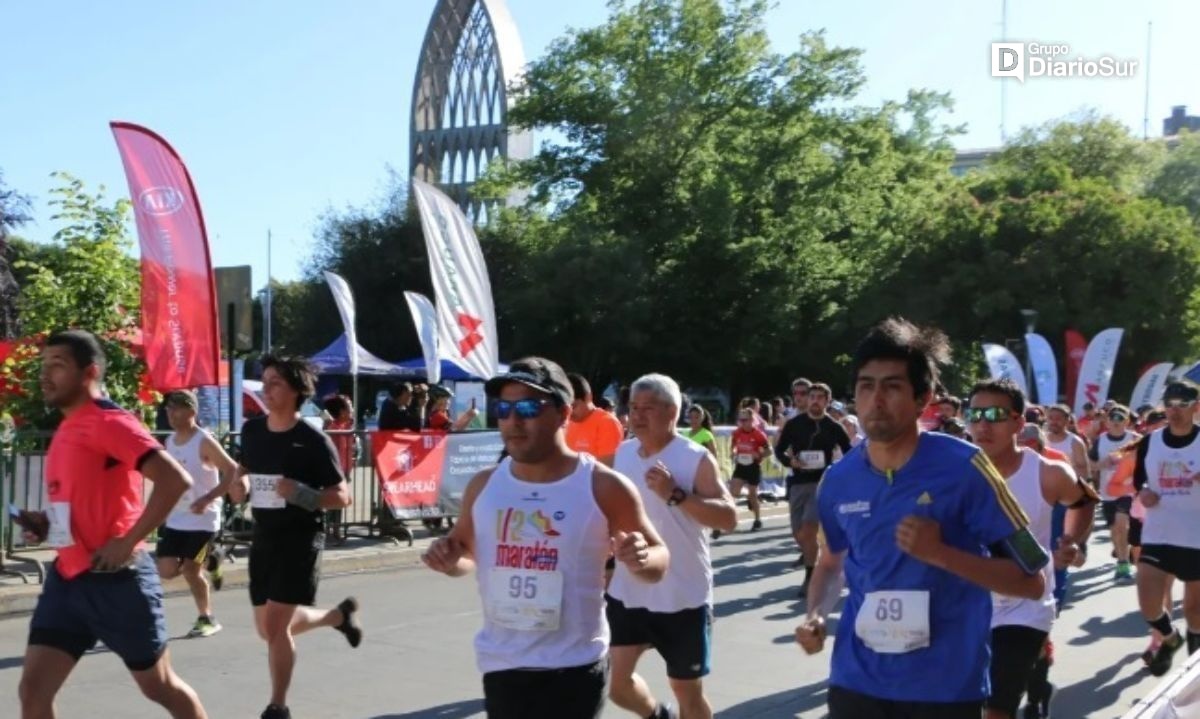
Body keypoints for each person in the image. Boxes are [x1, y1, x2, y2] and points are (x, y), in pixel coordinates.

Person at [795, 318, 1048, 719]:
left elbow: (1033, 581)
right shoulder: (839, 481)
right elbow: (830, 564)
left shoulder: (966, 468)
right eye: (866, 385)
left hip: (944, 688)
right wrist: (815, 615)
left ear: (923, 398)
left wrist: (943, 555)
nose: (876, 399)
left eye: (892, 386)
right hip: (856, 680)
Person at [422, 357, 669, 719]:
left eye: (527, 407)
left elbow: (659, 559)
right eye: (503, 409)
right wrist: (447, 559)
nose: (513, 420)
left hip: (574, 665)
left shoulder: (603, 485)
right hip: (502, 662)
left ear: (563, 413)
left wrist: (643, 558)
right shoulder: (484, 485)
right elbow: (465, 553)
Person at [17, 330, 208, 719]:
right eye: (44, 364)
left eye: (58, 364)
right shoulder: (67, 428)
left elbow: (175, 481)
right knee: (33, 690)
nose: (45, 373)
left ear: (89, 373)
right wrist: (44, 522)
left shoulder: (109, 422)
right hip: (67, 582)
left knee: (160, 686)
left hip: (117, 582)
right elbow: (83, 503)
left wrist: (127, 540)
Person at [228, 355, 362, 719]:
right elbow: (244, 468)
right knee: (267, 629)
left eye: (275, 383)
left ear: (296, 391)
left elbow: (342, 496)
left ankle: (278, 706)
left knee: (275, 628)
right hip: (265, 536)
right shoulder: (253, 431)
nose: (266, 389)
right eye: (265, 380)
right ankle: (336, 617)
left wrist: (303, 494)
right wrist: (237, 482)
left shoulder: (313, 440)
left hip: (301, 539)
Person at [607, 373, 737, 719]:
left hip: (683, 594)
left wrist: (675, 494)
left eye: (647, 408)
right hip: (629, 590)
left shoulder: (694, 457)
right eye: (633, 407)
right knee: (617, 686)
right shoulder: (622, 454)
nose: (636, 416)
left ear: (672, 412)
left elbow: (728, 518)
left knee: (687, 693)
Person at [966, 380, 1098, 719]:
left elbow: (1083, 502)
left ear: (1017, 423)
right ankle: (1040, 683)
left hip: (1026, 603)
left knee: (997, 709)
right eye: (975, 414)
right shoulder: (955, 471)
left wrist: (1071, 540)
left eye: (994, 415)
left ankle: (1035, 682)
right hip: (967, 603)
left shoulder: (1047, 472)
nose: (983, 424)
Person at [157, 389, 240, 638]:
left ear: (191, 412)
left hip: (204, 520)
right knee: (167, 570)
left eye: (177, 409)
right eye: (169, 409)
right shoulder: (170, 441)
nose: (171, 414)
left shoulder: (203, 441)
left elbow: (231, 469)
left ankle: (207, 618)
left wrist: (208, 498)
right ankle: (214, 558)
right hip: (177, 517)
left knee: (191, 570)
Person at [1132, 382, 1200, 676]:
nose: (1174, 410)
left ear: (1196, 407)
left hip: (1196, 536)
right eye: (1169, 404)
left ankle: (1193, 677)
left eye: (1182, 404)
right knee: (1148, 604)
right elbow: (1139, 478)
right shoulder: (1151, 441)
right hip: (1159, 533)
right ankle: (1170, 639)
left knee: (1195, 613)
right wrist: (1144, 491)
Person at [773, 381, 852, 594]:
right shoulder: (794, 424)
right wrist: (791, 462)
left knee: (809, 529)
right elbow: (779, 450)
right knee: (799, 534)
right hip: (798, 483)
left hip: (822, 484)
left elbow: (850, 454)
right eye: (812, 397)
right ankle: (815, 564)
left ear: (827, 401)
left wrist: (838, 472)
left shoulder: (834, 427)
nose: (815, 401)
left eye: (820, 397)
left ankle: (810, 577)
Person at [1090, 404, 1140, 581]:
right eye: (1113, 418)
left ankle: (1124, 563)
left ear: (1127, 421)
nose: (1116, 421)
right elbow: (1091, 465)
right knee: (1114, 530)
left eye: (1121, 418)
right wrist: (1102, 464)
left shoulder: (1135, 439)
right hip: (1108, 491)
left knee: (1121, 524)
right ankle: (1121, 560)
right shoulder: (1100, 440)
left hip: (1129, 491)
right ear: (1107, 422)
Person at [725, 407, 771, 535]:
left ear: (751, 420)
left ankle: (757, 520)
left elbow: (769, 451)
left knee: (752, 495)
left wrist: (758, 454)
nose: (742, 422)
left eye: (744, 420)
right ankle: (730, 520)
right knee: (732, 493)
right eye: (740, 420)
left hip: (753, 467)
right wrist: (733, 453)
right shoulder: (737, 433)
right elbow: (733, 446)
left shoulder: (758, 435)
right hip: (740, 465)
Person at [566, 372, 626, 466]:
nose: (570, 413)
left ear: (588, 397)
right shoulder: (566, 423)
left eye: (574, 406)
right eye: (567, 408)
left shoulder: (607, 423)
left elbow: (606, 470)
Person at [322, 394, 356, 546]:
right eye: (349, 408)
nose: (352, 411)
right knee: (332, 503)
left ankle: (336, 530)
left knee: (340, 503)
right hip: (332, 471)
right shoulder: (333, 427)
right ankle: (328, 531)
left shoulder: (346, 426)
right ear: (342, 411)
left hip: (344, 470)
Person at [1044, 405, 1090, 485]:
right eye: (1050, 418)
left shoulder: (1075, 442)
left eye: (1058, 419)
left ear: (1067, 421)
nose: (1054, 422)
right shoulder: (1042, 439)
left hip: (1067, 489)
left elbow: (1084, 473)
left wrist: (1062, 468)